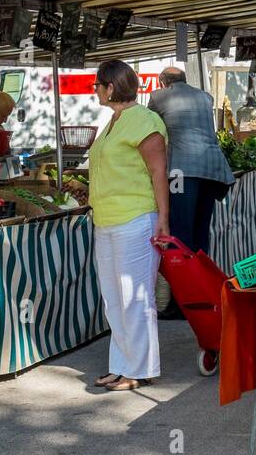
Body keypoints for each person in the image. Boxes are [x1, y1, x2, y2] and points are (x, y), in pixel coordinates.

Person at [88, 60, 171, 392]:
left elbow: (157, 173)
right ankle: (121, 365)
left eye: (97, 84)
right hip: (106, 220)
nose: (94, 89)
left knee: (135, 298)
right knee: (113, 298)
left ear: (110, 87)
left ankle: (140, 368)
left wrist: (163, 220)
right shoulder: (114, 120)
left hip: (135, 219)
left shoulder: (145, 120)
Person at [148, 67, 234, 256]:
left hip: (182, 170)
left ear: (163, 82)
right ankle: (201, 276)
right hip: (213, 168)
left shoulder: (158, 97)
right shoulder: (205, 96)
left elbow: (148, 128)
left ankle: (184, 279)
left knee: (181, 228)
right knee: (201, 228)